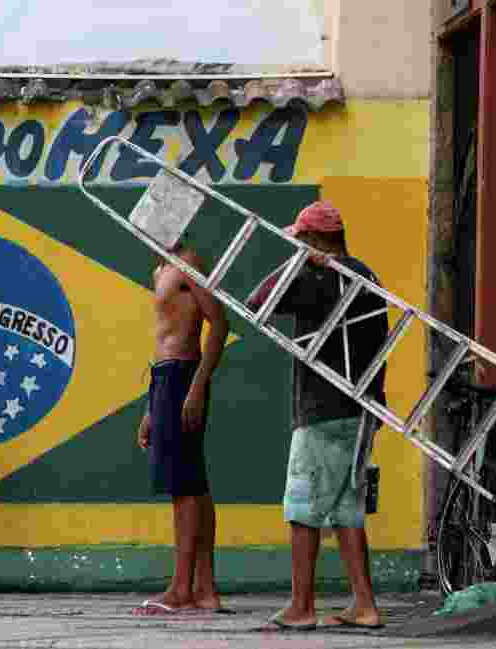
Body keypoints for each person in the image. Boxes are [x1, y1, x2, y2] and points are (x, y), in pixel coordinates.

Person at [246, 201, 388, 630]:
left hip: (322, 408)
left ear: (313, 241)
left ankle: (301, 606)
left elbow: (257, 302)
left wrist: (295, 263)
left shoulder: (316, 278)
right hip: (362, 410)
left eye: (300, 238)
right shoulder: (365, 275)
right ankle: (365, 605)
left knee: (303, 508)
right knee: (346, 509)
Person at [133, 238, 231, 615]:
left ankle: (181, 589)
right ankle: (205, 589)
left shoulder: (187, 262)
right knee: (195, 485)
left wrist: (197, 385)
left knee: (183, 486)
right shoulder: (160, 268)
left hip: (181, 377)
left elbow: (220, 323)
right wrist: (150, 408)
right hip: (164, 377)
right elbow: (163, 338)